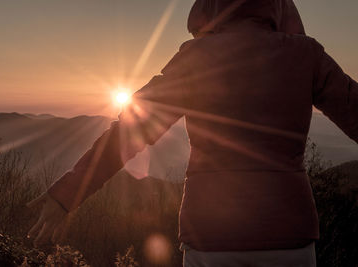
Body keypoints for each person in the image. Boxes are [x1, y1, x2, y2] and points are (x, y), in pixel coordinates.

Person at [27, 0, 358, 266]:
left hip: (212, 237)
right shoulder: (307, 55)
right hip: (289, 236)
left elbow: (130, 131)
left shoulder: (194, 59)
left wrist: (67, 194)